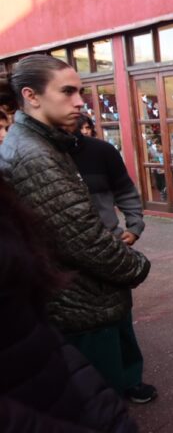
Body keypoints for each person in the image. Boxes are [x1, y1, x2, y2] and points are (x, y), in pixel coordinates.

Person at [0, 55, 152, 403]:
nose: (80, 101)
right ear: (32, 96)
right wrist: (137, 266)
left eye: (80, 91)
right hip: (80, 304)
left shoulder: (47, 144)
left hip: (84, 295)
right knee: (99, 400)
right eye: (67, 91)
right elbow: (84, 240)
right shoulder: (34, 155)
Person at [0, 176, 138, 432]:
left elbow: (36, 334)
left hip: (50, 382)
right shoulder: (33, 153)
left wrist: (110, 417)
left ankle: (131, 380)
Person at [68, 113, 155, 402]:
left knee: (120, 318)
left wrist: (134, 227)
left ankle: (131, 379)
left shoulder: (101, 151)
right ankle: (94, 391)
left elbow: (126, 192)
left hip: (110, 247)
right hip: (67, 256)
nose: (77, 103)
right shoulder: (42, 156)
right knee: (81, 329)